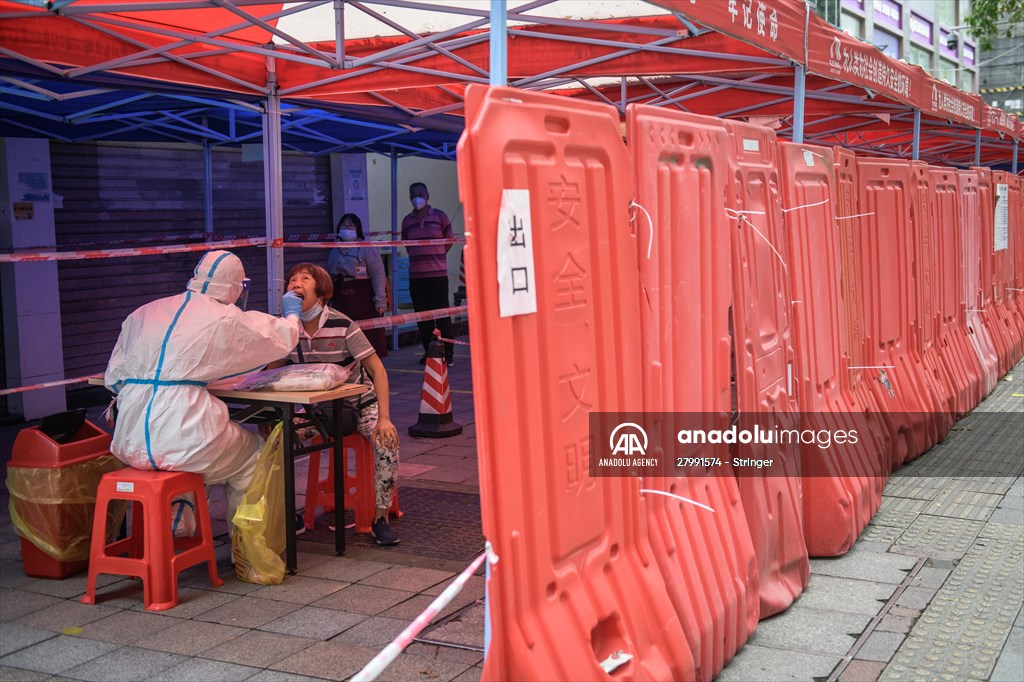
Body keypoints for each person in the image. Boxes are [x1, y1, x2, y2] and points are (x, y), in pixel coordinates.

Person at [104, 250, 305, 540]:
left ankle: (177, 531)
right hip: (185, 441)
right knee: (254, 454)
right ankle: (247, 548)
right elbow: (276, 338)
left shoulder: (144, 312)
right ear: (236, 285)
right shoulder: (224, 317)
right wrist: (292, 315)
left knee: (188, 457)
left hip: (129, 440)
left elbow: (113, 379)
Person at [278, 262, 401, 545]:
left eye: (305, 279)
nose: (296, 283)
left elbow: (377, 370)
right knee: (273, 440)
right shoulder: (285, 328)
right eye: (292, 280)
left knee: (387, 442)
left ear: (321, 292)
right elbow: (272, 368)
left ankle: (379, 518)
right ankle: (287, 512)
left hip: (359, 406)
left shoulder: (343, 324)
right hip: (316, 411)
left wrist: (384, 417)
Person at [402, 181, 455, 365]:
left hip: (438, 275)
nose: (417, 197)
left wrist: (436, 255)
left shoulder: (440, 217)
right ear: (409, 198)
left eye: (420, 193)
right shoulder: (407, 221)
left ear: (427, 195)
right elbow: (406, 245)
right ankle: (430, 352)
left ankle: (447, 354)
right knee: (422, 317)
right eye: (413, 194)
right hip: (416, 277)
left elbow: (450, 240)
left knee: (442, 315)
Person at [326, 213, 389, 358]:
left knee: (368, 336)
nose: (347, 228)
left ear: (358, 229)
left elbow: (378, 275)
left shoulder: (367, 249)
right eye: (344, 225)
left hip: (364, 297)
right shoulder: (334, 250)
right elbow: (330, 275)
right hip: (341, 298)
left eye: (351, 225)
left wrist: (380, 300)